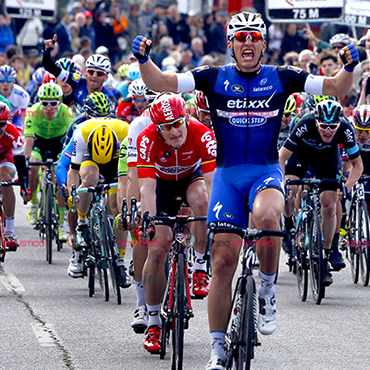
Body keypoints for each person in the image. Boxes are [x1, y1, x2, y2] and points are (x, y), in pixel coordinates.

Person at [132, 10, 359, 369]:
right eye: (241, 37)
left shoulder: (282, 77)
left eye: (254, 37)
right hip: (227, 177)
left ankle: (267, 290)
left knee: (268, 216)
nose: (248, 42)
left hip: (265, 171)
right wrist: (143, 59)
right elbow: (163, 82)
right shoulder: (212, 77)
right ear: (230, 44)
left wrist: (349, 67)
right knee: (223, 261)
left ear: (264, 44)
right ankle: (218, 348)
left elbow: (335, 87)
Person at [134, 92, 216, 353]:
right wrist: (149, 219)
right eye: (166, 127)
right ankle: (154, 321)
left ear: (186, 118)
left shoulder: (202, 133)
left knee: (202, 200)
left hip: (192, 179)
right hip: (161, 187)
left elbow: (213, 181)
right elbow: (146, 188)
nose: (174, 131)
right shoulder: (146, 138)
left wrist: (217, 216)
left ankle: (200, 266)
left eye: (178, 123)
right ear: (157, 127)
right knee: (158, 248)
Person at [279, 100, 363, 283]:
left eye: (333, 126)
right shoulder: (305, 124)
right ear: (316, 122)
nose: (328, 131)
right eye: (324, 126)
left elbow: (358, 165)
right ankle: (288, 225)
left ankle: (326, 253)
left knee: (330, 205)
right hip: (302, 153)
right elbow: (282, 157)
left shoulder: (345, 129)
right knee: (290, 190)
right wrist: (282, 183)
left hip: (327, 157)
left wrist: (347, 188)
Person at [66, 117, 131, 287]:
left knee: (118, 208)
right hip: (90, 159)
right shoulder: (82, 133)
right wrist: (73, 196)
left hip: (117, 160)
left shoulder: (127, 132)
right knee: (88, 180)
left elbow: (132, 174)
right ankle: (82, 222)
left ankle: (120, 259)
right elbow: (73, 172)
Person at [24, 83, 73, 242]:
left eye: (53, 103)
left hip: (59, 143)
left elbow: (71, 141)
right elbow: (29, 142)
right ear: (39, 102)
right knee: (33, 165)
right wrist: (26, 163)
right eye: (45, 103)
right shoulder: (33, 112)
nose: (49, 107)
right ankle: (34, 203)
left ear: (60, 103)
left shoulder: (67, 113)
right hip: (39, 142)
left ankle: (61, 224)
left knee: (59, 177)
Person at [0, 102, 29, 252]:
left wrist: (24, 186)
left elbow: (21, 165)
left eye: (1, 124)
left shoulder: (13, 133)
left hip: (5, 156)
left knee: (5, 181)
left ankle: (10, 231)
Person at [0, 65, 30, 132]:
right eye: (2, 81)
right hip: (1, 118)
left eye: (8, 81)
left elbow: (24, 118)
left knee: (18, 132)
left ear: (14, 82)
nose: (5, 84)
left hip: (16, 116)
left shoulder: (22, 95)